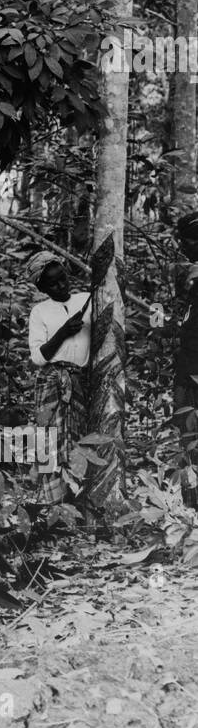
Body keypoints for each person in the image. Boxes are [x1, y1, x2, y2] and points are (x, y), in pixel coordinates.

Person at [26, 252, 90, 506]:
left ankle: (74, 499)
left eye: (62, 279)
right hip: (51, 380)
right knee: (49, 437)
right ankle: (50, 502)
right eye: (52, 284)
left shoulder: (86, 300)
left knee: (77, 437)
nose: (61, 286)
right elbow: (38, 356)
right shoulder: (39, 311)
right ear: (41, 288)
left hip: (79, 379)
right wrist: (62, 333)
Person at [172, 212, 198, 509]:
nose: (185, 245)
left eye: (192, 239)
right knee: (188, 436)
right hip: (187, 370)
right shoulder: (188, 277)